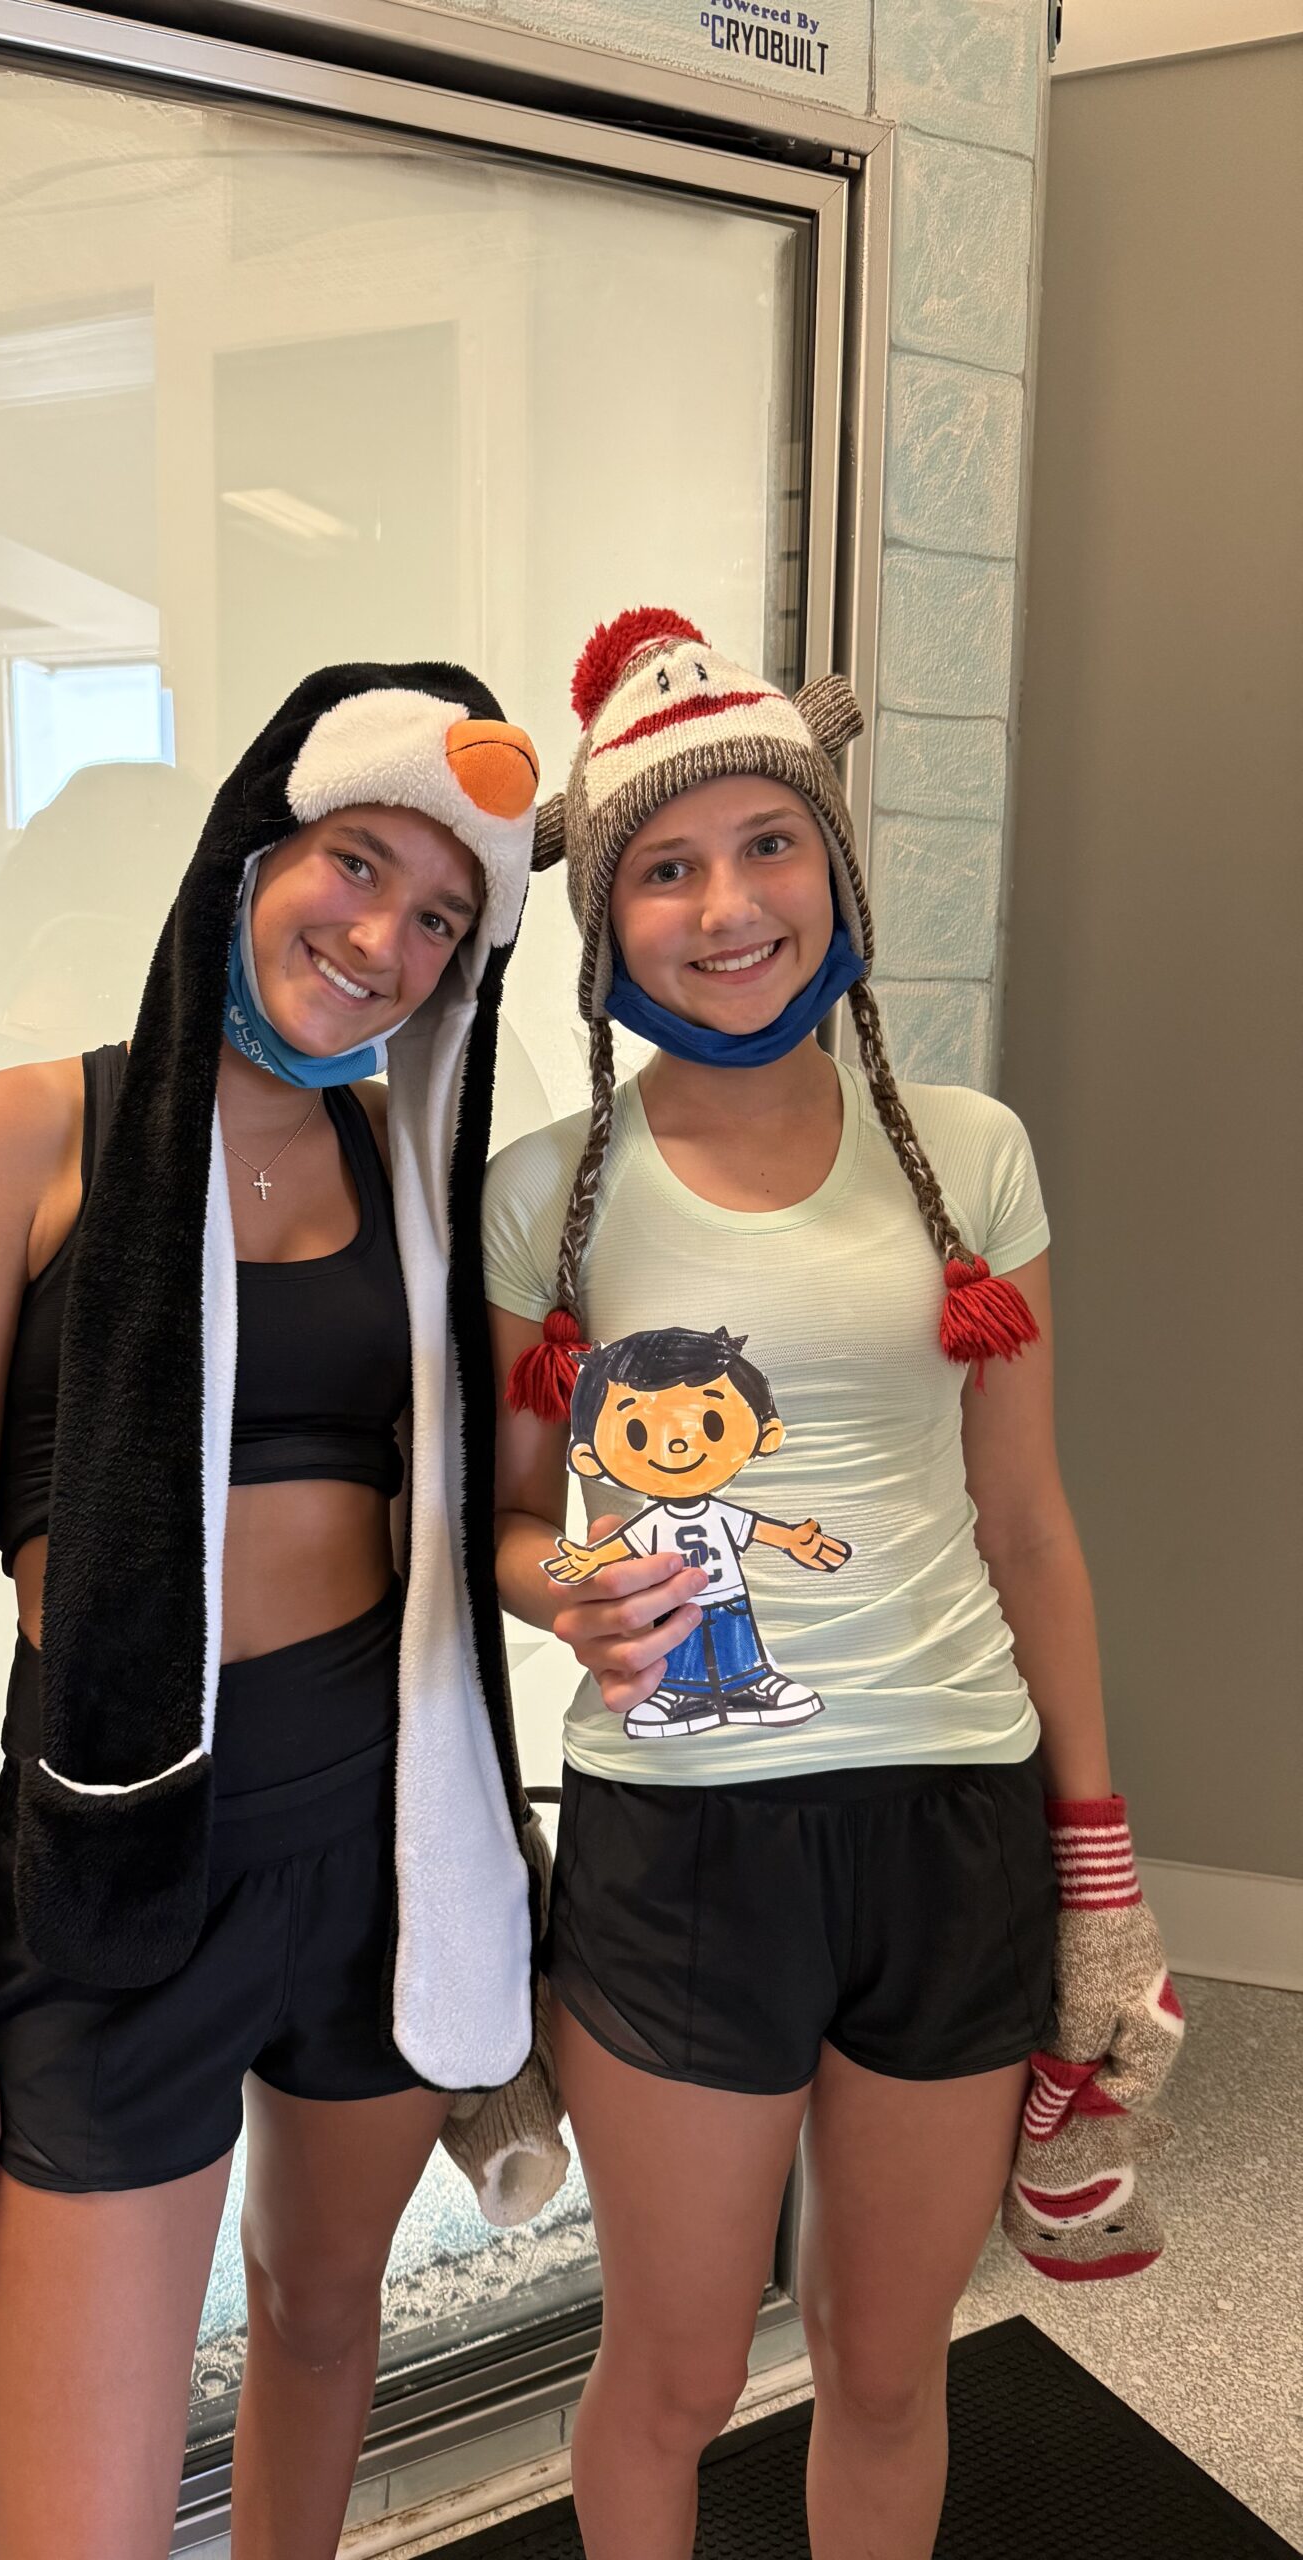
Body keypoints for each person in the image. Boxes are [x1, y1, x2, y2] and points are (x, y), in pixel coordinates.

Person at [485, 609, 1183, 2560]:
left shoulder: (969, 1154)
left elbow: (1027, 1523)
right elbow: (496, 1521)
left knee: (889, 2367)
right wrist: (563, 1587)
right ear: (607, 922)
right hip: (681, 1841)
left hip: (954, 1823)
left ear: (832, 861)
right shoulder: (548, 1190)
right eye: (667, 867)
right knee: (674, 2372)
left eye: (768, 843)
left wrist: (1099, 1869)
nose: (729, 906)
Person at [0, 662, 547, 2559]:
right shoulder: (16, 1140)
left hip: (379, 1841)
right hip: (115, 1857)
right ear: (255, 849)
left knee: (321, 2327)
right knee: (77, 2521)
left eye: (443, 916)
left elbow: (473, 1514)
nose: (385, 940)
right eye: (357, 864)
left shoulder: (407, 1172)